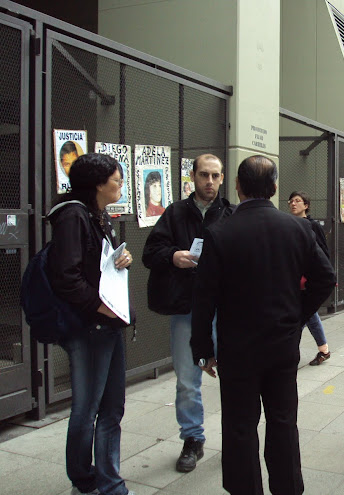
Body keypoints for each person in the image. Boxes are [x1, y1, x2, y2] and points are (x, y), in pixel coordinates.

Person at [190, 155, 336, 495]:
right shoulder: (297, 228)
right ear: (273, 188)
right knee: (283, 421)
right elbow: (325, 277)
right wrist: (298, 316)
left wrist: (202, 351)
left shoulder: (220, 233)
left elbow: (204, 298)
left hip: (236, 348)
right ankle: (288, 488)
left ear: (237, 187)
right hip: (282, 346)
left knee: (240, 426)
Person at [47, 153, 136, 495]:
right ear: (98, 184)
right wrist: (102, 307)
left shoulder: (97, 216)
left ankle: (110, 482)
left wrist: (120, 259)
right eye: (116, 179)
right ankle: (84, 480)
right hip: (89, 328)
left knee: (113, 407)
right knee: (87, 408)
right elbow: (66, 277)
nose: (120, 185)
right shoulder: (72, 216)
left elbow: (98, 266)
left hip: (108, 325)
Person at [142, 154, 232, 473]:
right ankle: (193, 439)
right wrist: (173, 256)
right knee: (188, 378)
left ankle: (236, 439)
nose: (209, 181)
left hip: (225, 311)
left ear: (223, 178)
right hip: (187, 311)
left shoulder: (232, 214)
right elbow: (150, 253)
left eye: (215, 176)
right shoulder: (175, 213)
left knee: (234, 376)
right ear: (192, 176)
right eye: (204, 175)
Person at [288, 190, 332, 365]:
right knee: (309, 315)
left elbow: (322, 253)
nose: (293, 203)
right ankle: (324, 349)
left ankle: (292, 353)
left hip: (307, 280)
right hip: (296, 279)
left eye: (297, 201)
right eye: (291, 201)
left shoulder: (312, 226)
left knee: (301, 318)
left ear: (306, 205)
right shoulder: (290, 224)